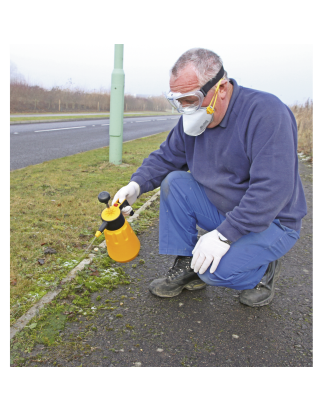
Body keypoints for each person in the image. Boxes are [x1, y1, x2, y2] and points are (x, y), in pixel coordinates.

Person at [112, 48, 307, 307]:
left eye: (190, 99)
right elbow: (166, 157)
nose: (185, 109)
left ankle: (263, 272)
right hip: (227, 208)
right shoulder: (195, 120)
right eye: (178, 101)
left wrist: (224, 235)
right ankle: (187, 264)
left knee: (214, 271)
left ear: (221, 89)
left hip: (273, 221)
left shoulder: (267, 114)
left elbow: (272, 190)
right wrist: (135, 185)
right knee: (175, 182)